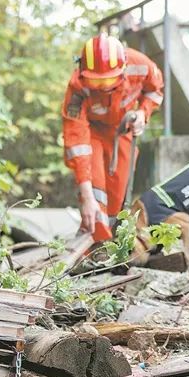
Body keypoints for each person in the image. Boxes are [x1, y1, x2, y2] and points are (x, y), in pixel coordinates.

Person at [62, 33, 164, 242]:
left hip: (121, 131)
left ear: (123, 68)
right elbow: (77, 139)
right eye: (96, 81)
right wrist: (87, 197)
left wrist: (143, 113)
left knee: (118, 194)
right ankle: (95, 245)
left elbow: (155, 91)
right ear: (83, 72)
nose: (103, 87)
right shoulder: (78, 87)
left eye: (109, 80)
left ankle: (111, 243)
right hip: (92, 132)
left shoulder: (141, 65)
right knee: (96, 189)